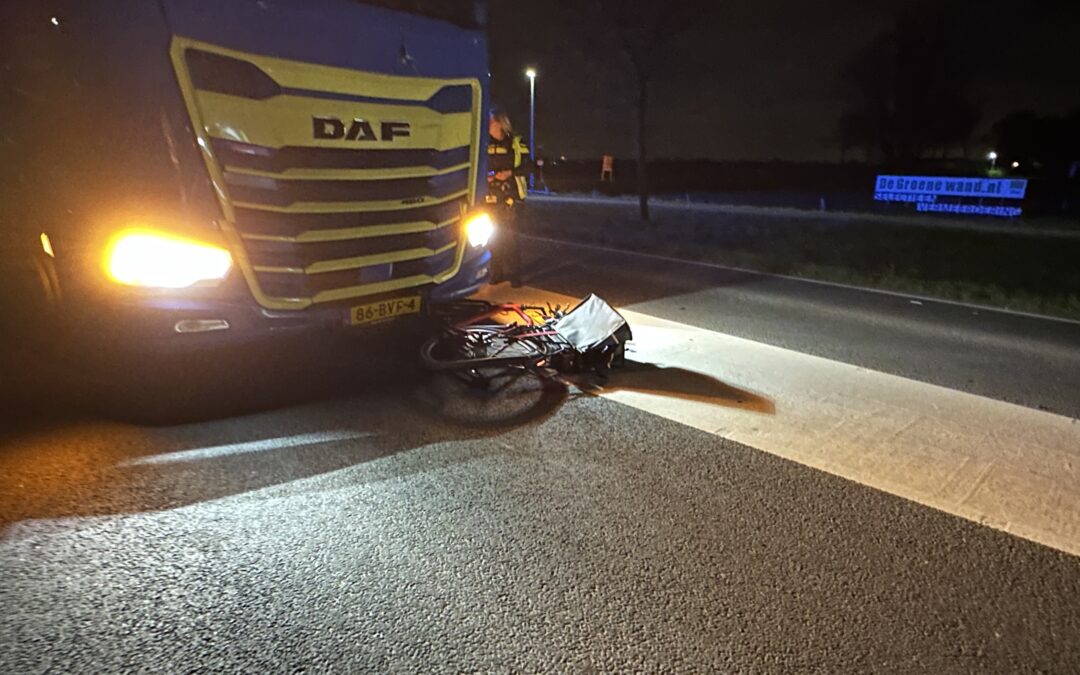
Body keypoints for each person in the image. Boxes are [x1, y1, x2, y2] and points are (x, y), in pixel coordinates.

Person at [486, 110, 529, 287]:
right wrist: (489, 176)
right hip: (489, 196)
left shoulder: (516, 143)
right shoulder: (483, 143)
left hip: (511, 196)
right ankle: (496, 273)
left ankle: (515, 276)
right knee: (492, 237)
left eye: (491, 121)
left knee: (511, 238)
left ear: (500, 123)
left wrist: (510, 173)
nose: (488, 123)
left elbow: (528, 166)